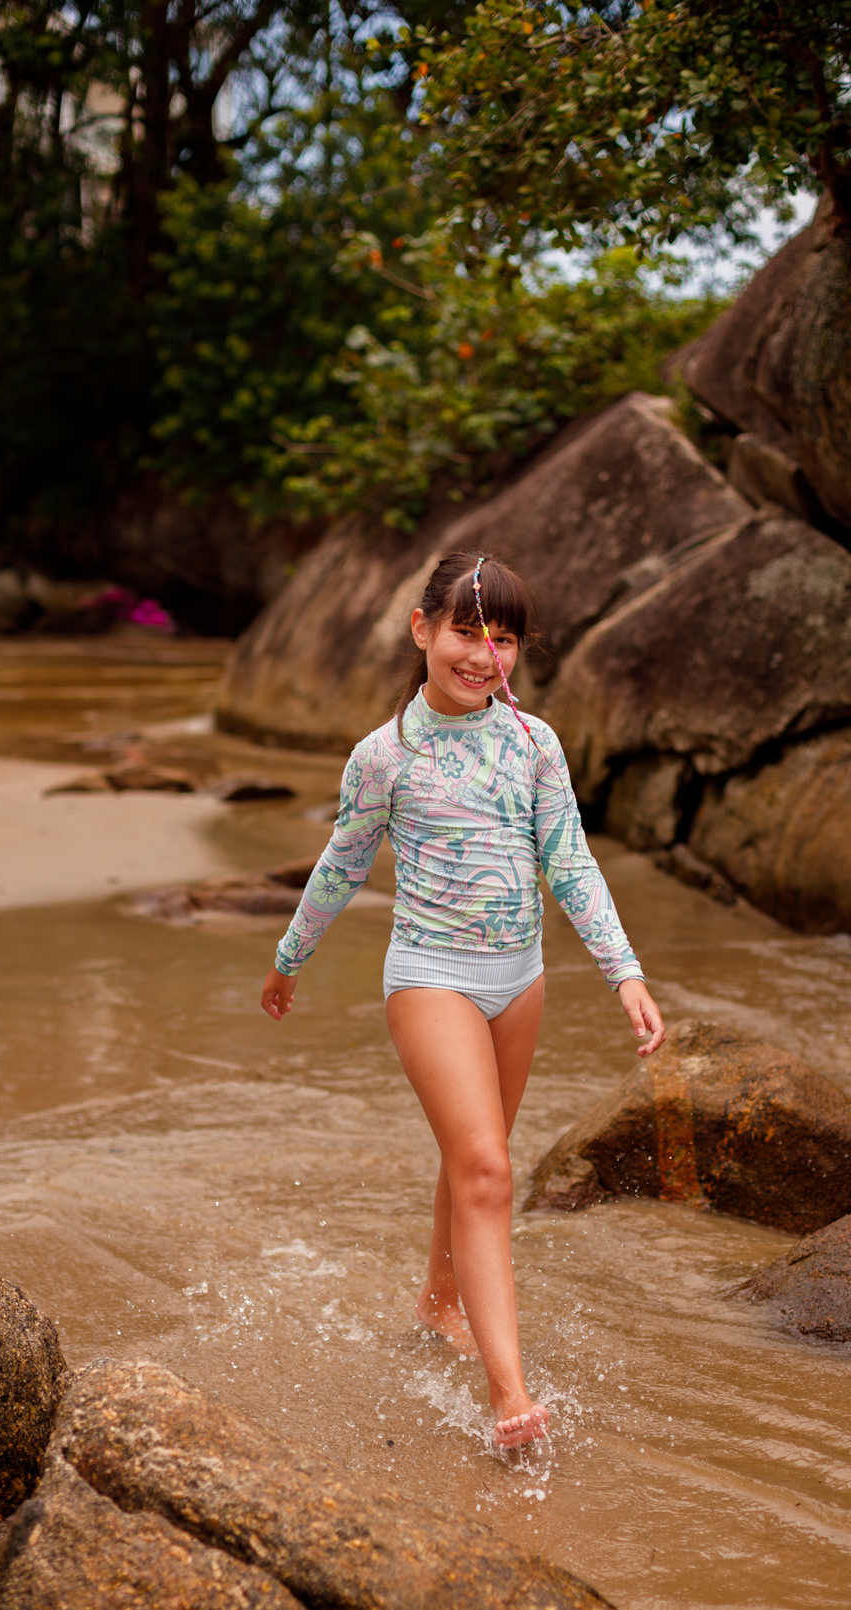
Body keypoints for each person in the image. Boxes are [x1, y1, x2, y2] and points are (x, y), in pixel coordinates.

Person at [261, 551, 665, 1447]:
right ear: (421, 630)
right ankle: (509, 1394)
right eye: (466, 632)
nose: (485, 655)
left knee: (470, 1157)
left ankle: (438, 1304)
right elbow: (342, 863)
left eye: (505, 638)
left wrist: (624, 972)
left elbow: (569, 860)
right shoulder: (384, 757)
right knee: (487, 1169)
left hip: (519, 980)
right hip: (429, 977)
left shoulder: (534, 744)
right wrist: (291, 957)